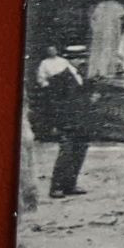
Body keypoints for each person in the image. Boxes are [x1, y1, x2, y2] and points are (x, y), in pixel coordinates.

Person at [35, 45, 93, 198]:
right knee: (66, 154)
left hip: (80, 122)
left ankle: (70, 184)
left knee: (79, 153)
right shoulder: (60, 78)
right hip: (67, 123)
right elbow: (54, 103)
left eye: (83, 58)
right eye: (79, 58)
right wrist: (55, 124)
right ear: (71, 59)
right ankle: (57, 187)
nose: (82, 61)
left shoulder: (80, 76)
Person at [86, 0, 124, 78]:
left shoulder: (113, 6)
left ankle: (102, 71)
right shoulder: (105, 6)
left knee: (105, 51)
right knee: (106, 51)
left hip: (107, 33)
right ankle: (102, 71)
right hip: (106, 34)